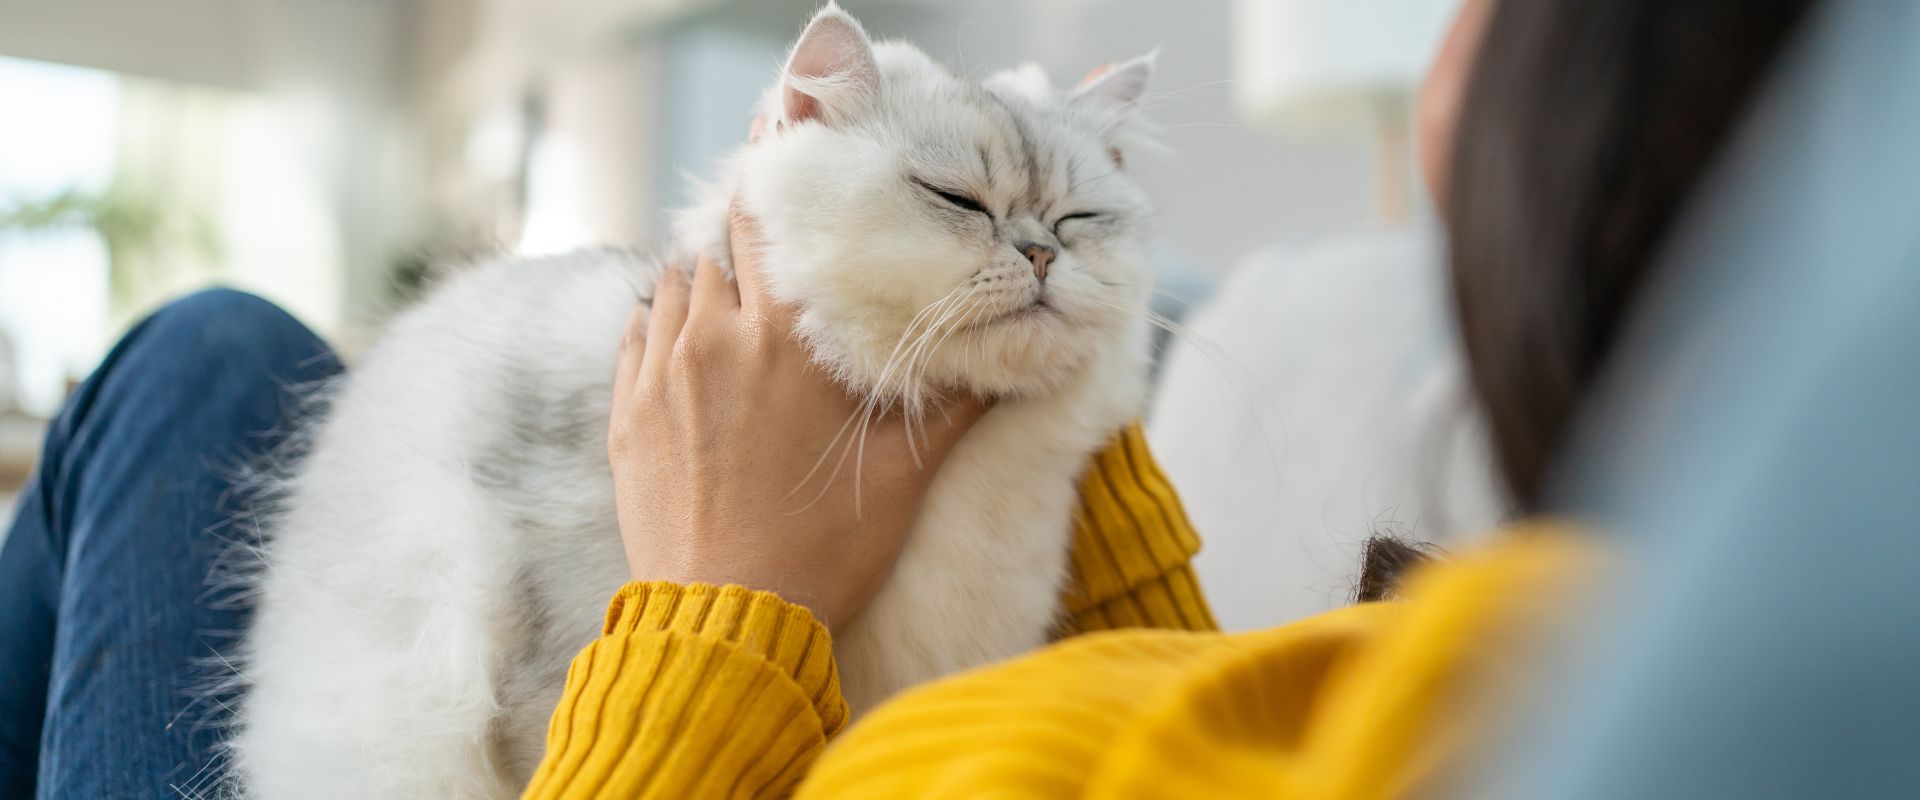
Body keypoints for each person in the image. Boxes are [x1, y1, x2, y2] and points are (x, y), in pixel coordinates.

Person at [0, 0, 1843, 796]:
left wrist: (729, 600)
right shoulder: (1488, 653)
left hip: (676, 704)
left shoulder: (1604, 695)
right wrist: (1046, 400)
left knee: (202, 358)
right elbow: (1185, 698)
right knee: (229, 359)